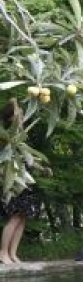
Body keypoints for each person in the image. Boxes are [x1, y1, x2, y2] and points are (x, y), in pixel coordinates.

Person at [1, 100, 43, 264]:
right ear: (11, 117)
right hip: (13, 178)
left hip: (26, 178)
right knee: (14, 216)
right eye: (19, 112)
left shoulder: (23, 135)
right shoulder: (6, 136)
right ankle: (3, 252)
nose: (22, 114)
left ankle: (12, 253)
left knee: (23, 216)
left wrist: (41, 167)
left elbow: (28, 157)